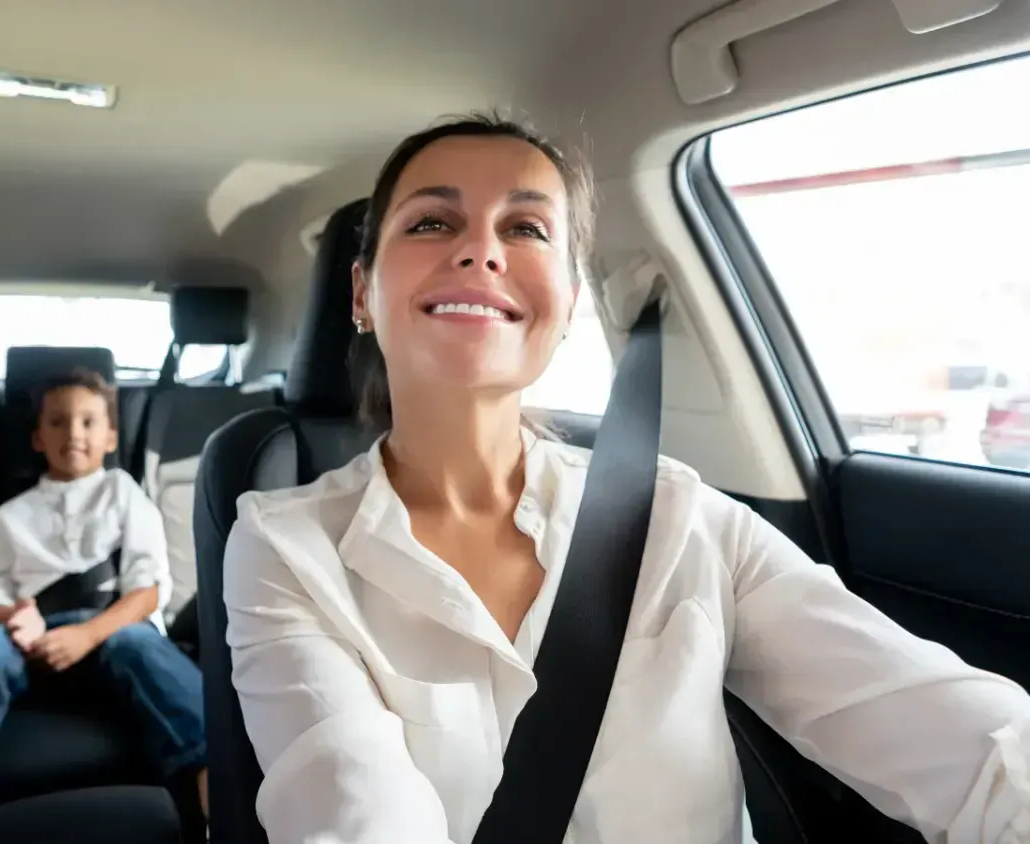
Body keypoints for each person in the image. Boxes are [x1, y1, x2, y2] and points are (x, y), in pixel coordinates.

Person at [222, 113, 1030, 843]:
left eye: (528, 228)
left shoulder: (684, 517)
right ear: (362, 292)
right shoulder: (285, 544)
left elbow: (965, 743)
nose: (482, 250)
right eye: (432, 222)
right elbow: (353, 809)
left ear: (568, 303)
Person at [0, 368, 207, 842]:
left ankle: (221, 800)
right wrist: (11, 618)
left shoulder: (125, 495)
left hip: (109, 628)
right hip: (26, 633)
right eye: (58, 422)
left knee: (143, 647)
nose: (74, 433)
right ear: (37, 437)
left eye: (89, 422)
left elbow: (148, 589)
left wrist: (87, 635)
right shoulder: (13, 515)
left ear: (110, 435)